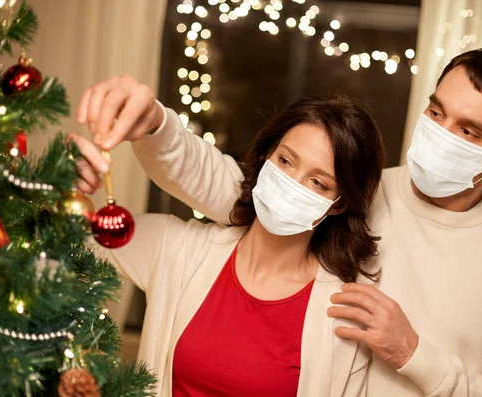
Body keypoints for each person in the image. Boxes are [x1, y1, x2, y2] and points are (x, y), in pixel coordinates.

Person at [75, 48, 482, 396]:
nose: (441, 133)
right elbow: (234, 190)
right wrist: (156, 127)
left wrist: (416, 355)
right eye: (436, 112)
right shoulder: (358, 192)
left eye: (468, 130)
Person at [78, 95, 387, 396]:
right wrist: (68, 180)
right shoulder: (180, 250)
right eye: (285, 161)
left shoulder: (340, 318)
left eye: (318, 182)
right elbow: (71, 238)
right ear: (267, 156)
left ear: (337, 205)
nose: (292, 183)